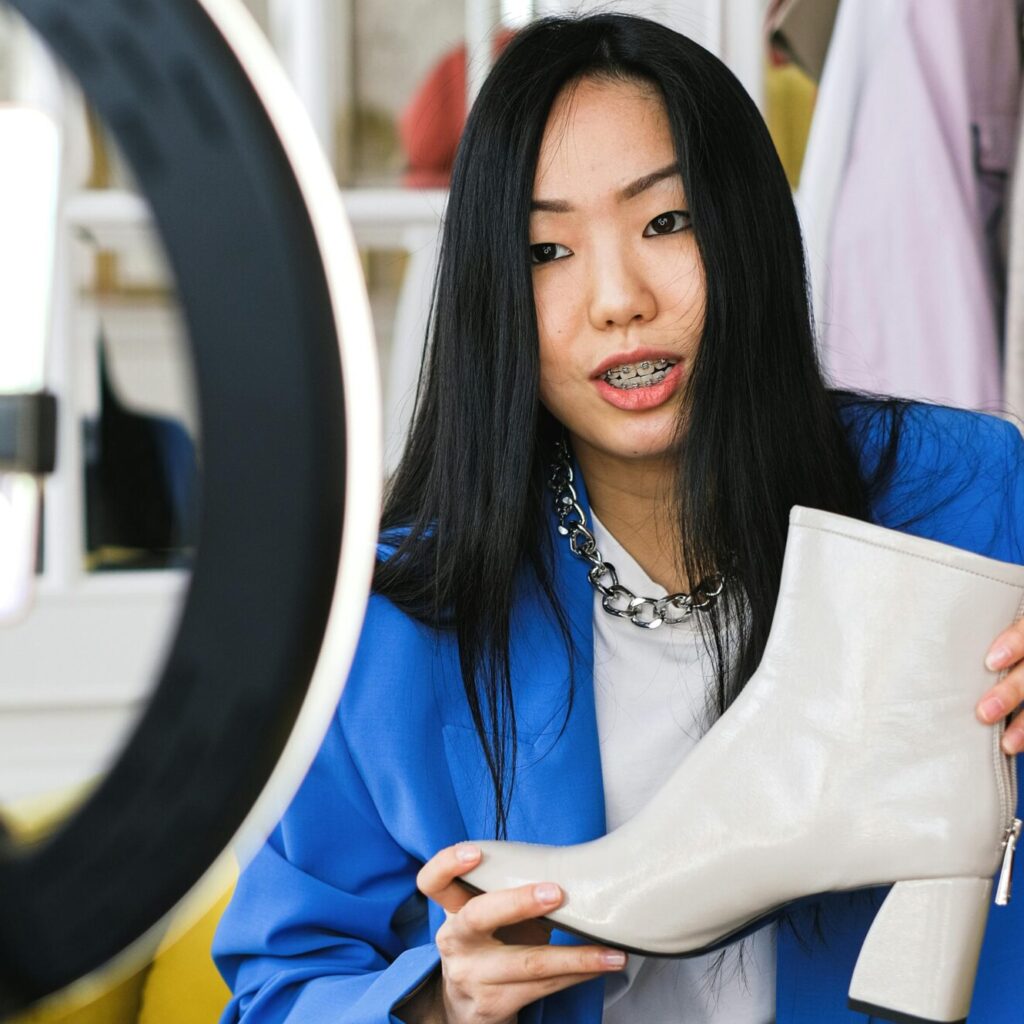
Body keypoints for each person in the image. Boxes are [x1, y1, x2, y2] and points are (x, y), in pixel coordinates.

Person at [212, 13, 1024, 1023]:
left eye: (666, 223)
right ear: (491, 292)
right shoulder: (391, 621)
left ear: (749, 229)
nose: (616, 299)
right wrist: (436, 1001)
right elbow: (276, 987)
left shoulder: (964, 501)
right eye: (545, 248)